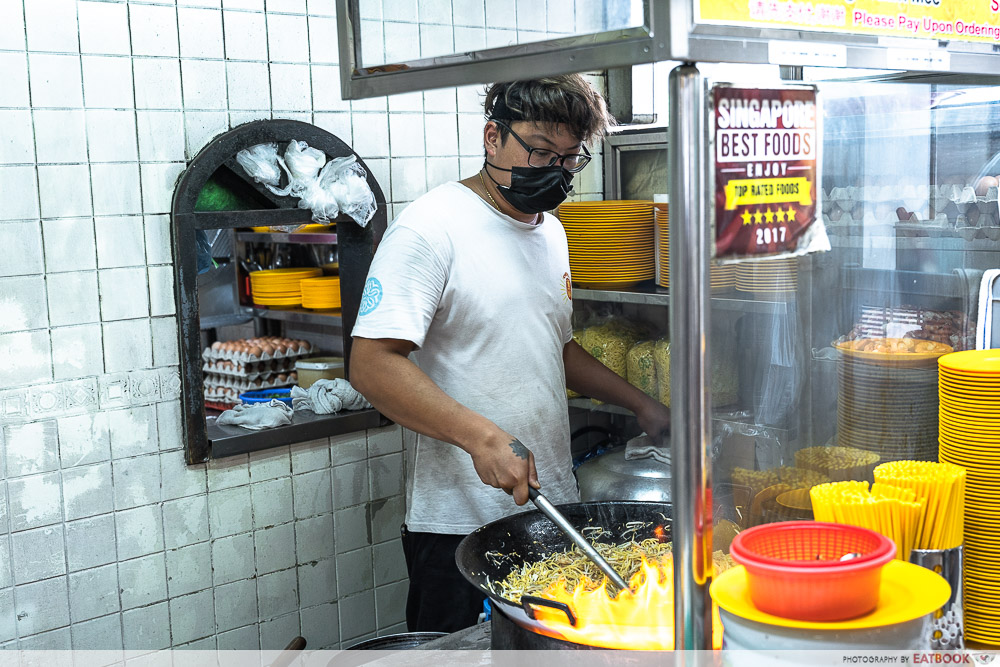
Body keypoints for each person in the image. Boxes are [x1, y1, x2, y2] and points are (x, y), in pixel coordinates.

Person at [350, 75, 671, 633]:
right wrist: (482, 437)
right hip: (458, 523)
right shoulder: (431, 229)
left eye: (570, 159)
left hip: (553, 509)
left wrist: (640, 403)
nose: (556, 172)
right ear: (492, 136)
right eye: (541, 152)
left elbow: (554, 345)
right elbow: (372, 364)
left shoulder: (550, 232)